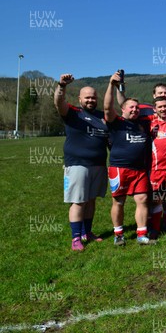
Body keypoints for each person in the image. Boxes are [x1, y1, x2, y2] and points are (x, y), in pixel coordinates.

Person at [54, 74, 108, 251]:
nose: (91, 100)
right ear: (80, 99)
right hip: (77, 164)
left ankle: (88, 232)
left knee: (91, 201)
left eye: (93, 97)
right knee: (78, 201)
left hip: (98, 165)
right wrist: (62, 86)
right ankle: (76, 238)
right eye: (87, 97)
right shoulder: (72, 113)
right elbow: (58, 102)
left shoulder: (102, 117)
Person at [104, 71, 154, 246]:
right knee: (119, 201)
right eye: (130, 107)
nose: (134, 110)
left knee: (142, 200)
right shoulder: (115, 121)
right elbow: (107, 107)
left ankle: (141, 234)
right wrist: (112, 85)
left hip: (139, 169)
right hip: (119, 168)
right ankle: (119, 234)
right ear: (123, 109)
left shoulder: (143, 123)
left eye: (136, 108)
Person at [148, 96, 166, 239]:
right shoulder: (151, 124)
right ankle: (155, 229)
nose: (163, 109)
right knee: (158, 199)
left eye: (165, 106)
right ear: (155, 109)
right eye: (160, 107)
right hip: (157, 169)